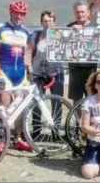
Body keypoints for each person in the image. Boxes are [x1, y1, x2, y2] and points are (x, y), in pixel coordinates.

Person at [0, 0, 31, 151]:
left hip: (20, 73)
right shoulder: (1, 28)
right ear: (11, 12)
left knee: (21, 107)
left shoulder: (25, 31)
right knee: (4, 107)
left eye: (22, 14)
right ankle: (1, 138)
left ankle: (18, 138)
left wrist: (28, 72)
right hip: (5, 72)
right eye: (16, 13)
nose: (19, 16)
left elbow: (26, 55)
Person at [27, 11, 64, 139]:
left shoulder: (61, 35)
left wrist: (75, 29)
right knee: (37, 102)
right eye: (45, 21)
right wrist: (29, 69)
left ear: (54, 22)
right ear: (41, 22)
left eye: (50, 21)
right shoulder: (35, 35)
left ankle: (55, 132)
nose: (47, 23)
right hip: (38, 74)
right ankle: (36, 131)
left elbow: (74, 40)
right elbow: (29, 51)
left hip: (56, 74)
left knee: (57, 103)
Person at [67, 0, 97, 107]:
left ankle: (91, 123)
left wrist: (83, 31)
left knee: (93, 98)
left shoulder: (96, 27)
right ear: (74, 13)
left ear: (88, 12)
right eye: (77, 12)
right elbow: (61, 45)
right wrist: (69, 32)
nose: (80, 14)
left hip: (91, 69)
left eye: (83, 12)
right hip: (75, 69)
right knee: (76, 100)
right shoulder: (69, 26)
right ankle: (78, 123)